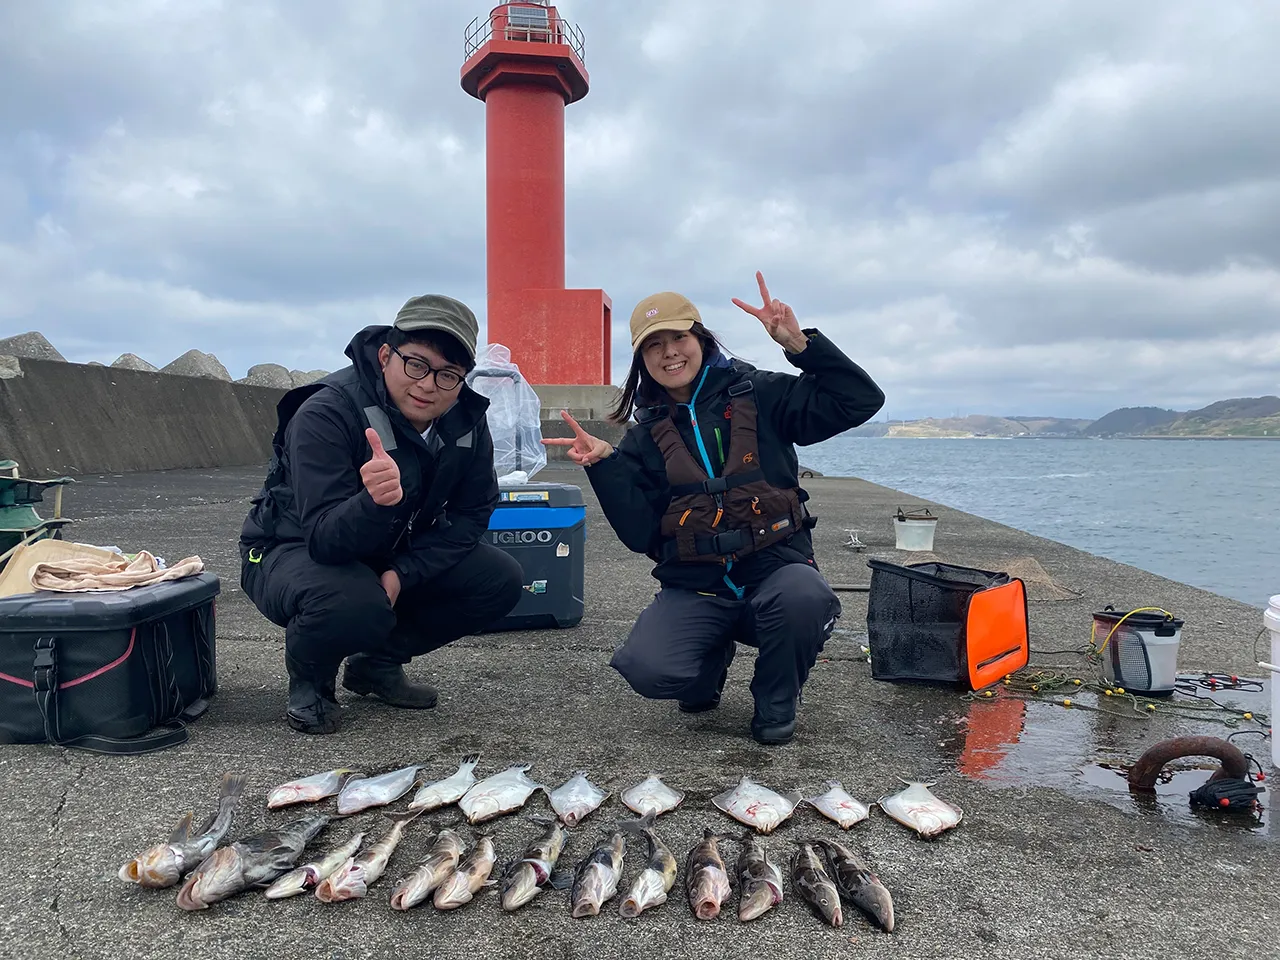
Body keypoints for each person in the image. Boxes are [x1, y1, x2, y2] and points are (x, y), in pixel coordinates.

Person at [546, 272, 885, 745]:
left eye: (679, 338)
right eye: (654, 346)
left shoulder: (762, 392)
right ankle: (710, 656)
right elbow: (641, 535)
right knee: (651, 671)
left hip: (776, 568)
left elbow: (861, 400)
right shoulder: (643, 435)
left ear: (701, 338)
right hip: (698, 585)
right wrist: (605, 465)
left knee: (804, 599)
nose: (670, 353)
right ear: (641, 360)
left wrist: (802, 346)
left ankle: (777, 696)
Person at [238, 294, 524, 735]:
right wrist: (373, 501)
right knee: (352, 602)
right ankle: (312, 683)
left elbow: (473, 512)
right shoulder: (326, 412)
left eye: (448, 375)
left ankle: (376, 664)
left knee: (498, 580)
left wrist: (403, 572)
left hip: (390, 549)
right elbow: (324, 539)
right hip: (290, 548)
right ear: (387, 355)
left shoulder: (465, 418)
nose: (428, 385)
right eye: (416, 364)